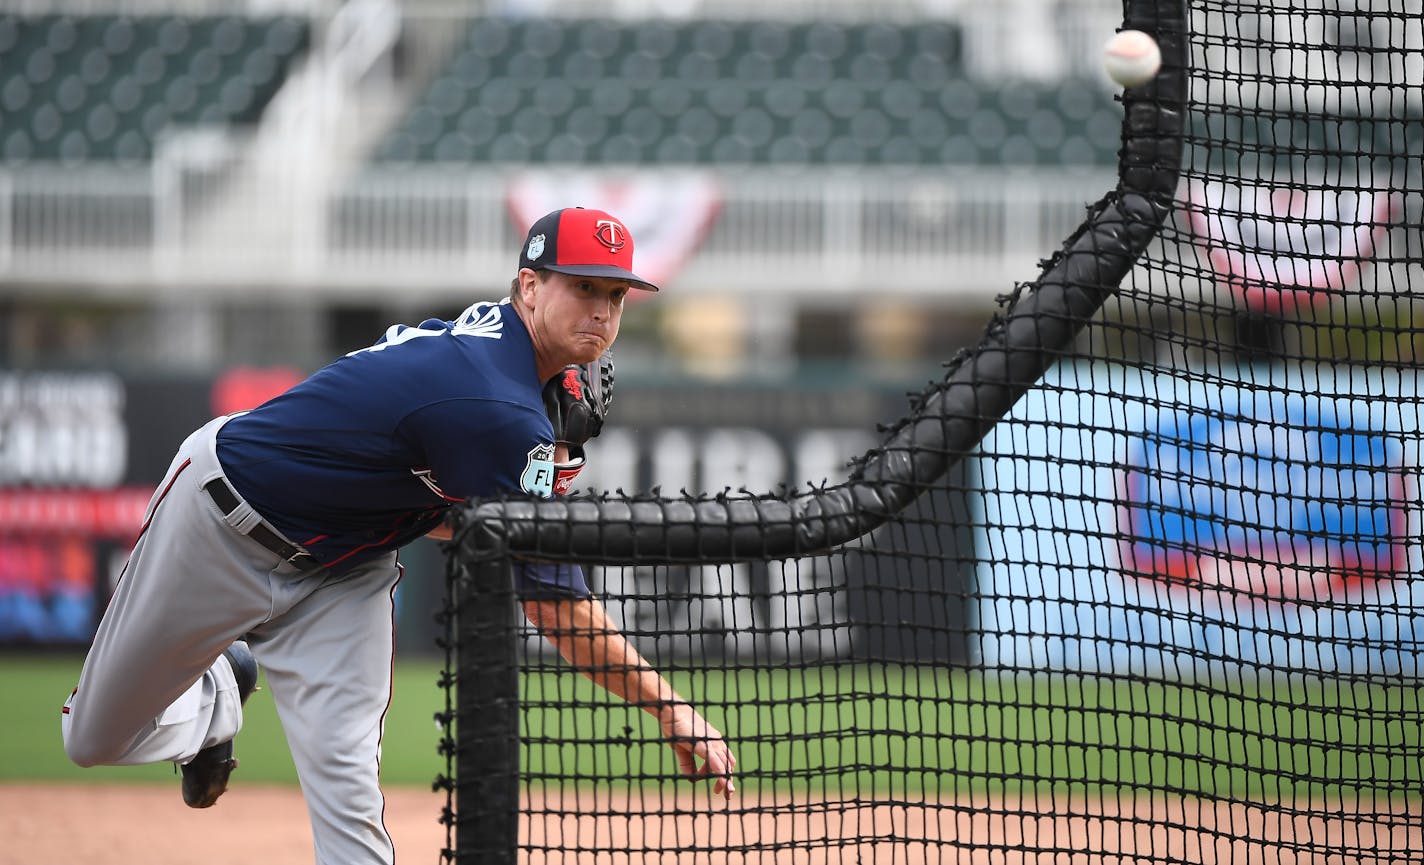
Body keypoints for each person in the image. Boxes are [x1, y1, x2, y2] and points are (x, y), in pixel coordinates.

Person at [60, 207, 737, 864]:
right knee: (94, 738)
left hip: (346, 571)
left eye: (616, 293)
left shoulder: (512, 366)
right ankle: (214, 697)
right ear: (528, 286)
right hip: (223, 522)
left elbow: (455, 511)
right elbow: (552, 603)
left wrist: (523, 485)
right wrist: (670, 705)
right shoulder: (498, 406)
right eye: (583, 285)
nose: (602, 309)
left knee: (348, 792)